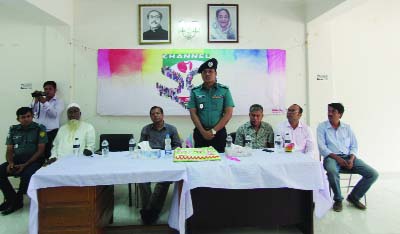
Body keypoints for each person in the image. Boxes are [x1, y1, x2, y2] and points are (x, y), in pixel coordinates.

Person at [317, 103, 378, 212]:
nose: (329, 114)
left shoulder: (347, 128)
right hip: (331, 158)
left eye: (333, 111)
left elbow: (354, 146)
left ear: (340, 114)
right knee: (331, 170)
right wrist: (338, 159)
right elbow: (322, 148)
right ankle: (338, 199)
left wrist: (351, 159)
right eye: (329, 111)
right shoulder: (322, 127)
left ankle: (354, 197)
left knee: (373, 174)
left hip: (348, 158)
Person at [0, 107, 47, 215]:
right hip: (17, 160)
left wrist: (25, 165)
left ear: (32, 116)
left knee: (27, 175)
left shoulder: (40, 128)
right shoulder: (13, 129)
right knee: (0, 170)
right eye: (23, 117)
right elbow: (9, 150)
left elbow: (40, 150)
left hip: (34, 161)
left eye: (28, 116)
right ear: (18, 119)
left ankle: (17, 201)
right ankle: (11, 199)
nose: (26, 119)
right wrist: (11, 163)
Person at [139, 106, 181, 225]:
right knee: (142, 180)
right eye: (152, 114)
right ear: (150, 117)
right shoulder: (146, 129)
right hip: (149, 160)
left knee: (164, 181)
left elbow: (178, 146)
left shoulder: (171, 129)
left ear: (162, 115)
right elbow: (140, 146)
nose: (155, 115)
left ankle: (149, 211)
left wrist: (165, 152)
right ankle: (151, 211)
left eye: (158, 113)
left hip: (165, 160)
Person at [187, 58, 235, 153]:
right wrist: (203, 132)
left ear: (215, 73)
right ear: (201, 74)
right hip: (200, 133)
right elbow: (193, 114)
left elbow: (228, 113)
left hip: (219, 133)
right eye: (204, 72)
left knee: (220, 162)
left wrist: (213, 131)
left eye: (210, 71)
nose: (207, 74)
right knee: (200, 162)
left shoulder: (224, 90)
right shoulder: (195, 91)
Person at [31, 81, 64, 159]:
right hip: (39, 131)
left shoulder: (59, 101)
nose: (47, 91)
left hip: (51, 133)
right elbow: (32, 113)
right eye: (45, 89)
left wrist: (44, 102)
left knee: (50, 154)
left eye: (50, 89)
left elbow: (54, 115)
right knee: (38, 154)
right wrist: (35, 101)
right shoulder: (39, 100)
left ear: (55, 90)